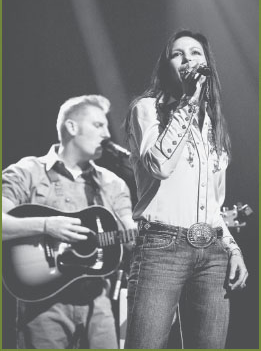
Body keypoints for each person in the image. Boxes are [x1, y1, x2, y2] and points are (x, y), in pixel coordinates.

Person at [124, 29, 248, 349]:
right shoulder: (147, 109)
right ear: (167, 66)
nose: (187, 59)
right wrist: (188, 102)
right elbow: (159, 165)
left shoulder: (213, 126)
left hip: (212, 251)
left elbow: (215, 205)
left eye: (195, 53)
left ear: (207, 64)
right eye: (177, 54)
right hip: (162, 245)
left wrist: (233, 249)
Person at [2, 94, 136, 349]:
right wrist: (46, 225)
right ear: (72, 127)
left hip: (100, 305)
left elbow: (129, 233)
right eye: (98, 125)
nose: (107, 134)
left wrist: (140, 236)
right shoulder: (27, 171)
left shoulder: (113, 184)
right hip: (42, 308)